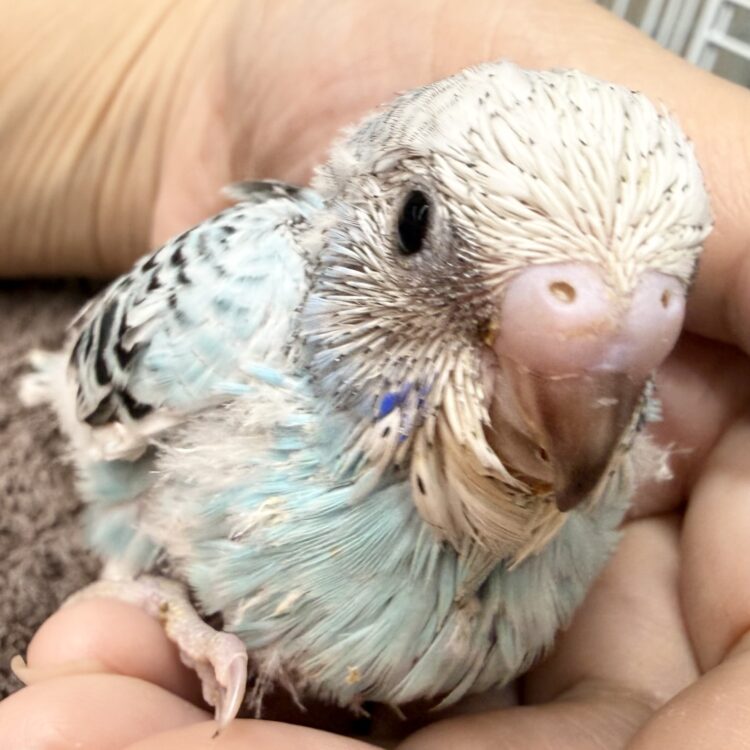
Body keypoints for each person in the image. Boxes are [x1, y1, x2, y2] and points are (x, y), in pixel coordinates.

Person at [1, 0, 750, 747]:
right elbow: (96, 404)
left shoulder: (612, 462)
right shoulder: (240, 298)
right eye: (419, 227)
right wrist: (158, 597)